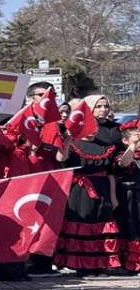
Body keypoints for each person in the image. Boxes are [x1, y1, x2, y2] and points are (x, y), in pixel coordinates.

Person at [53, 94, 122, 275]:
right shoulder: (73, 144)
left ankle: (97, 263)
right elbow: (61, 158)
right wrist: (67, 141)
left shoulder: (105, 146)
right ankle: (79, 264)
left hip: (102, 188)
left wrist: (113, 196)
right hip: (79, 189)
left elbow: (110, 173)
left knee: (100, 224)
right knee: (80, 223)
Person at [116, 120, 140, 272]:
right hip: (131, 195)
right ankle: (133, 262)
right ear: (125, 140)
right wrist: (133, 145)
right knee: (132, 227)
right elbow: (124, 163)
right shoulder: (122, 154)